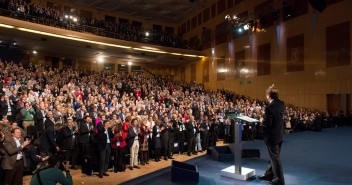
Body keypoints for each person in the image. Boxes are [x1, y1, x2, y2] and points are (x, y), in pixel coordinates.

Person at [258, 84, 285, 185]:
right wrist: (271, 88)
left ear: (269, 95)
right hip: (279, 135)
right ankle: (269, 174)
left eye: (267, 94)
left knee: (275, 158)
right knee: (273, 157)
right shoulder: (282, 103)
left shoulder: (269, 107)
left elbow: (267, 123)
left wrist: (262, 120)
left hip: (272, 137)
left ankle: (280, 180)